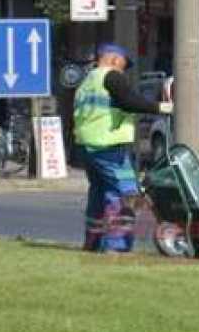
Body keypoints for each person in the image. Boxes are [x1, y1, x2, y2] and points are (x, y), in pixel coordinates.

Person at [74, 42, 173, 253]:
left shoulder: (87, 82)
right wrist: (161, 107)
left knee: (99, 193)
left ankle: (92, 242)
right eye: (123, 65)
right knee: (125, 193)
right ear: (114, 59)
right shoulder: (111, 76)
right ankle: (116, 246)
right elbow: (129, 101)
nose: (123, 71)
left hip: (88, 146)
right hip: (108, 146)